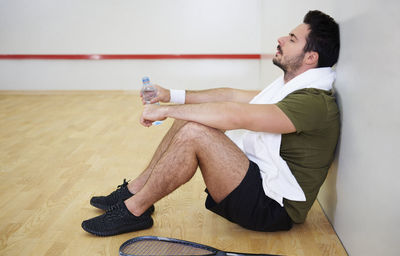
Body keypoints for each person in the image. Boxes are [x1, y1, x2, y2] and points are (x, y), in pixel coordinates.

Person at [82, 10, 340, 236]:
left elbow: (236, 115)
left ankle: (134, 211)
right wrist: (171, 96)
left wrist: (167, 112)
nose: (281, 39)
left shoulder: (313, 102)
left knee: (195, 131)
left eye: (292, 39)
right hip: (260, 180)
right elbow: (231, 96)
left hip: (273, 206)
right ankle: (136, 191)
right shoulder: (291, 90)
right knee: (192, 117)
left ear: (310, 58)